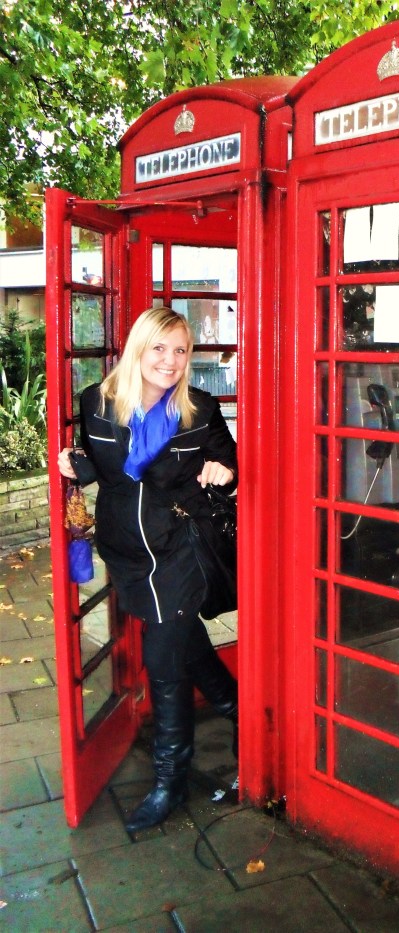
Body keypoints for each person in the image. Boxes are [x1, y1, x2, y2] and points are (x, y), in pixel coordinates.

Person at [57, 307, 239, 833]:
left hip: (180, 547)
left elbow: (232, 462)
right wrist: (76, 465)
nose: (171, 360)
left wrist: (222, 470)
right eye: (160, 348)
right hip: (128, 552)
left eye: (181, 350)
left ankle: (169, 782)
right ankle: (239, 712)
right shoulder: (97, 401)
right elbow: (97, 465)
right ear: (139, 348)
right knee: (181, 641)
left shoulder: (200, 409)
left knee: (163, 662)